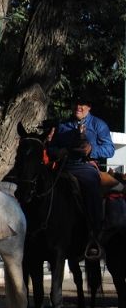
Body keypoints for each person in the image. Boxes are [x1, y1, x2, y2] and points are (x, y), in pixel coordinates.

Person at [49, 94, 114, 259]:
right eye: (76, 103)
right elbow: (51, 148)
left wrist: (91, 150)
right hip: (64, 166)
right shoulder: (63, 125)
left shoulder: (99, 125)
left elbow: (109, 150)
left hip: (86, 167)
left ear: (89, 107)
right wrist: (58, 151)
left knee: (92, 187)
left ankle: (94, 235)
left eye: (82, 104)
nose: (78, 107)